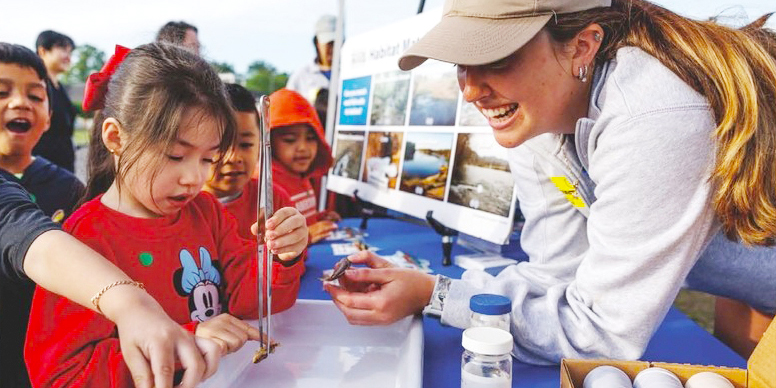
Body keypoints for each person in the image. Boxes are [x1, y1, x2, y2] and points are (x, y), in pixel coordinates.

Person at [325, 0, 776, 365]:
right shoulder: (537, 112)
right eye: (460, 62)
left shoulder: (651, 114)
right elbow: (553, 273)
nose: (469, 89)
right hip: (746, 285)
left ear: (582, 46)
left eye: (493, 56)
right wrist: (430, 286)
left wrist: (437, 295)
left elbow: (598, 333)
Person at [25, 43, 308, 387]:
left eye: (208, 159)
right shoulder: (84, 242)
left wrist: (283, 255)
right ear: (115, 137)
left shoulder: (206, 212)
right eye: (176, 155)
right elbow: (62, 375)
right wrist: (186, 341)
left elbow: (251, 302)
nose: (195, 178)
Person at [0, 42, 86, 387]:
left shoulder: (70, 189)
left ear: (50, 115)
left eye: (36, 96)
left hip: (41, 361)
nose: (21, 103)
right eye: (2, 92)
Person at [203, 84, 300, 243]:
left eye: (246, 144)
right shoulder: (179, 209)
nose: (233, 158)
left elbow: (297, 262)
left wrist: (291, 255)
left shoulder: (274, 200)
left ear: (260, 143)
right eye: (220, 146)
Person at [269, 88, 339, 244]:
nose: (303, 147)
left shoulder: (305, 176)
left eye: (310, 138)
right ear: (270, 143)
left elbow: (301, 219)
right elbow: (265, 242)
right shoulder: (266, 185)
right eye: (290, 140)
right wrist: (306, 235)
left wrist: (319, 218)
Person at [33, 30, 76, 172]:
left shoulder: (60, 88)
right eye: (63, 50)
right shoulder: (35, 87)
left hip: (63, 169)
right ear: (43, 51)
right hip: (42, 169)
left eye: (70, 52)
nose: (68, 58)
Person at [286, 15, 336, 105]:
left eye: (335, 43)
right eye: (328, 44)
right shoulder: (301, 76)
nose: (332, 48)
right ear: (317, 43)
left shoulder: (351, 73)